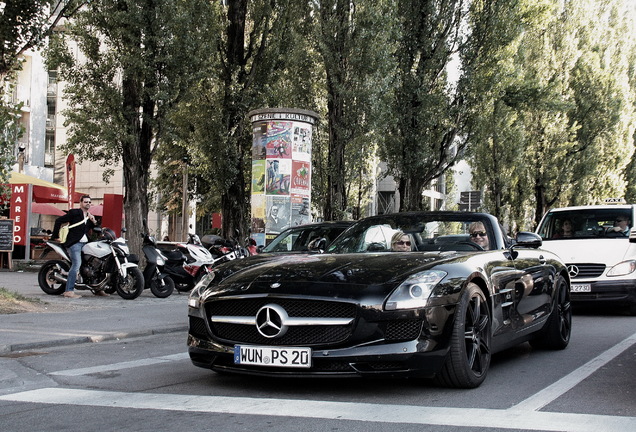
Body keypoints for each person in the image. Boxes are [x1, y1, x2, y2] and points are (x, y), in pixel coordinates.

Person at [51, 195, 102, 298]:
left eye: (89, 202)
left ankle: (97, 289)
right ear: (81, 203)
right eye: (85, 202)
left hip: (86, 244)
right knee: (76, 265)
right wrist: (55, 236)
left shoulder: (89, 216)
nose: (87, 203)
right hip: (75, 244)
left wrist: (94, 221)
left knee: (95, 264)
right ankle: (68, 291)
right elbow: (58, 221)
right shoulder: (74, 213)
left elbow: (96, 228)